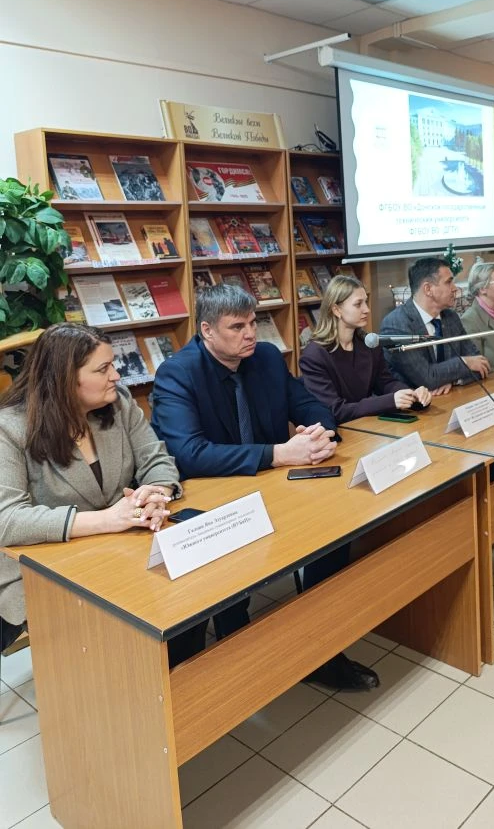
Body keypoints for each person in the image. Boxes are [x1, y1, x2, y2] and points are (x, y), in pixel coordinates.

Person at [151, 283, 379, 691]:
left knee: (334, 530)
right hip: (216, 498)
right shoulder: (177, 373)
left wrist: (319, 432)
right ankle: (241, 661)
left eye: (253, 323)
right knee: (230, 576)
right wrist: (278, 454)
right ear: (207, 331)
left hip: (275, 487)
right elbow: (188, 454)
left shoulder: (268, 358)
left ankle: (322, 647)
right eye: (237, 327)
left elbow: (310, 405)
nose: (250, 334)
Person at [0, 324, 179, 654]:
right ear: (65, 378)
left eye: (113, 365)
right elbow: (7, 520)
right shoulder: (9, 428)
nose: (116, 376)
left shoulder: (119, 403)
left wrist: (155, 494)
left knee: (180, 606)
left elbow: (156, 459)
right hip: (48, 568)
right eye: (103, 369)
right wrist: (107, 520)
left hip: (118, 553)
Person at [300, 275, 432, 422]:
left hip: (366, 425)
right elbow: (334, 410)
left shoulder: (369, 343)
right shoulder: (314, 355)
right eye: (358, 304)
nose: (367, 309)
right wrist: (391, 401)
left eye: (366, 302)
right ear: (336, 310)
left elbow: (386, 383)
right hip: (339, 430)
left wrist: (412, 395)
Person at [379, 256, 490, 393]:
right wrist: (465, 362)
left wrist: (453, 381)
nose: (455, 288)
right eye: (448, 282)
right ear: (428, 289)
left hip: (451, 397)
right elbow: (426, 378)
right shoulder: (397, 324)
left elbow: (481, 364)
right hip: (414, 403)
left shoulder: (451, 317)